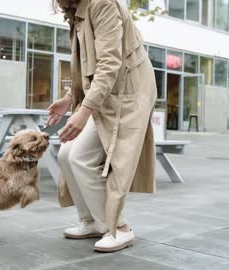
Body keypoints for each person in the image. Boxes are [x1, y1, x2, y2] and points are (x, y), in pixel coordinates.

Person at [47, 0, 157, 252]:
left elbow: (109, 62)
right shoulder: (76, 10)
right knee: (66, 155)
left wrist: (84, 111)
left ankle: (119, 228)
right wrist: (69, 99)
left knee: (80, 158)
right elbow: (88, 64)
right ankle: (92, 221)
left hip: (127, 92)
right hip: (106, 92)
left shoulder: (102, 3)